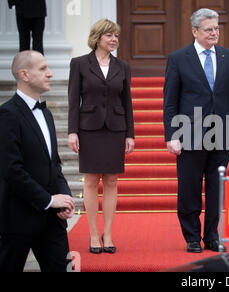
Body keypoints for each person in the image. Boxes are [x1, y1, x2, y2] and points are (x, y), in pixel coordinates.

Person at [163, 8, 229, 253]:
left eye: (217, 28)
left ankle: (211, 236)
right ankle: (191, 236)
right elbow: (170, 101)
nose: (214, 33)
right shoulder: (179, 58)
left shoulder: (228, 57)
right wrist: (172, 136)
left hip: (220, 134)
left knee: (215, 188)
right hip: (189, 135)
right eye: (209, 29)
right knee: (189, 189)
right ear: (194, 31)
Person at [0, 50, 75, 272]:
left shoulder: (47, 114)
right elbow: (12, 170)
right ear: (24, 74)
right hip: (18, 218)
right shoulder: (7, 114)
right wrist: (49, 200)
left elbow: (55, 164)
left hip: (53, 220)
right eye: (43, 69)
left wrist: (65, 199)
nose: (50, 74)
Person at [67, 19, 135, 254]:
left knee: (112, 181)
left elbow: (127, 102)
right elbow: (73, 101)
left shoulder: (123, 66)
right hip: (89, 129)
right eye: (109, 35)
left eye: (116, 35)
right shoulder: (79, 64)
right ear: (98, 37)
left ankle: (108, 234)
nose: (114, 39)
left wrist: (130, 134)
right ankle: (93, 235)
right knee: (90, 181)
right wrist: (72, 131)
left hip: (115, 128)